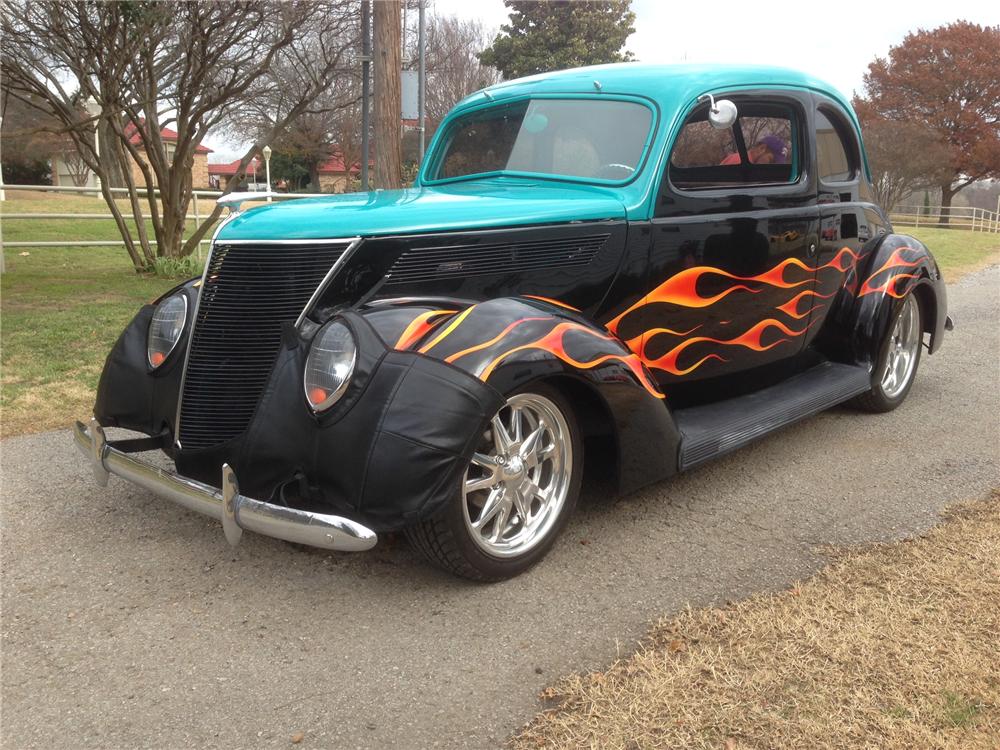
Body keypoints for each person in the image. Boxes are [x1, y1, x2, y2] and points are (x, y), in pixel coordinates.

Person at [721, 135, 789, 165]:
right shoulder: (738, 162)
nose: (771, 166)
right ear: (762, 148)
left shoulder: (750, 164)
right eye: (771, 161)